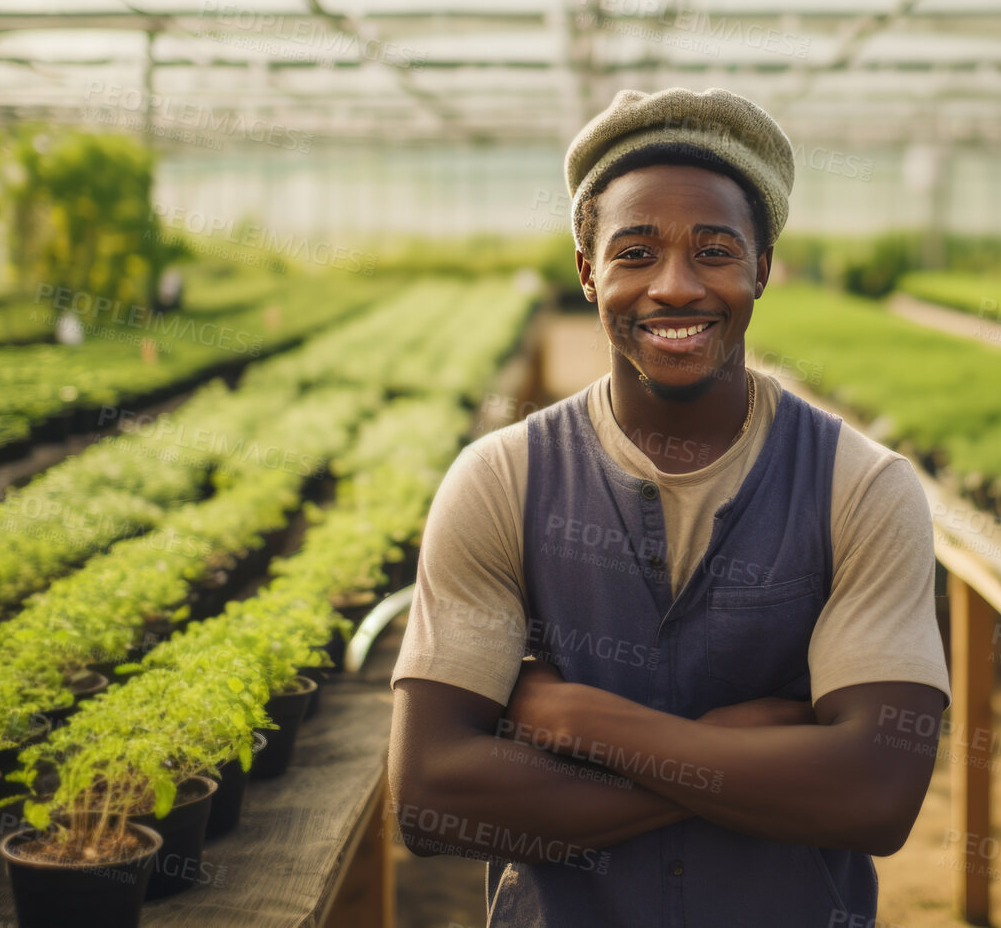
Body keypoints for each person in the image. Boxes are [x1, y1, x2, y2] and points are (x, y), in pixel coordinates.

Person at [388, 86, 950, 927]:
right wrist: (741, 749)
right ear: (588, 272)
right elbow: (432, 796)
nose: (676, 287)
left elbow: (874, 794)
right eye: (636, 252)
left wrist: (584, 721)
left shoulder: (861, 487)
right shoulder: (500, 479)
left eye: (716, 250)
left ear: (763, 267)